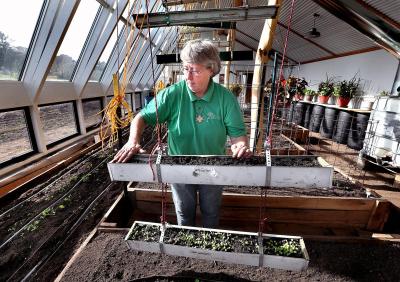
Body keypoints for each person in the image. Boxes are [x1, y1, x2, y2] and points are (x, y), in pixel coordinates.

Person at [112, 39, 252, 228]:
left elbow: (237, 135)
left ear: (211, 70)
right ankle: (187, 250)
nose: (188, 76)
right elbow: (142, 117)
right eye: (186, 68)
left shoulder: (225, 98)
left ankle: (208, 247)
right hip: (178, 164)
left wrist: (240, 145)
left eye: (195, 70)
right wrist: (132, 141)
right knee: (183, 210)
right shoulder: (172, 94)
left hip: (213, 165)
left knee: (211, 210)